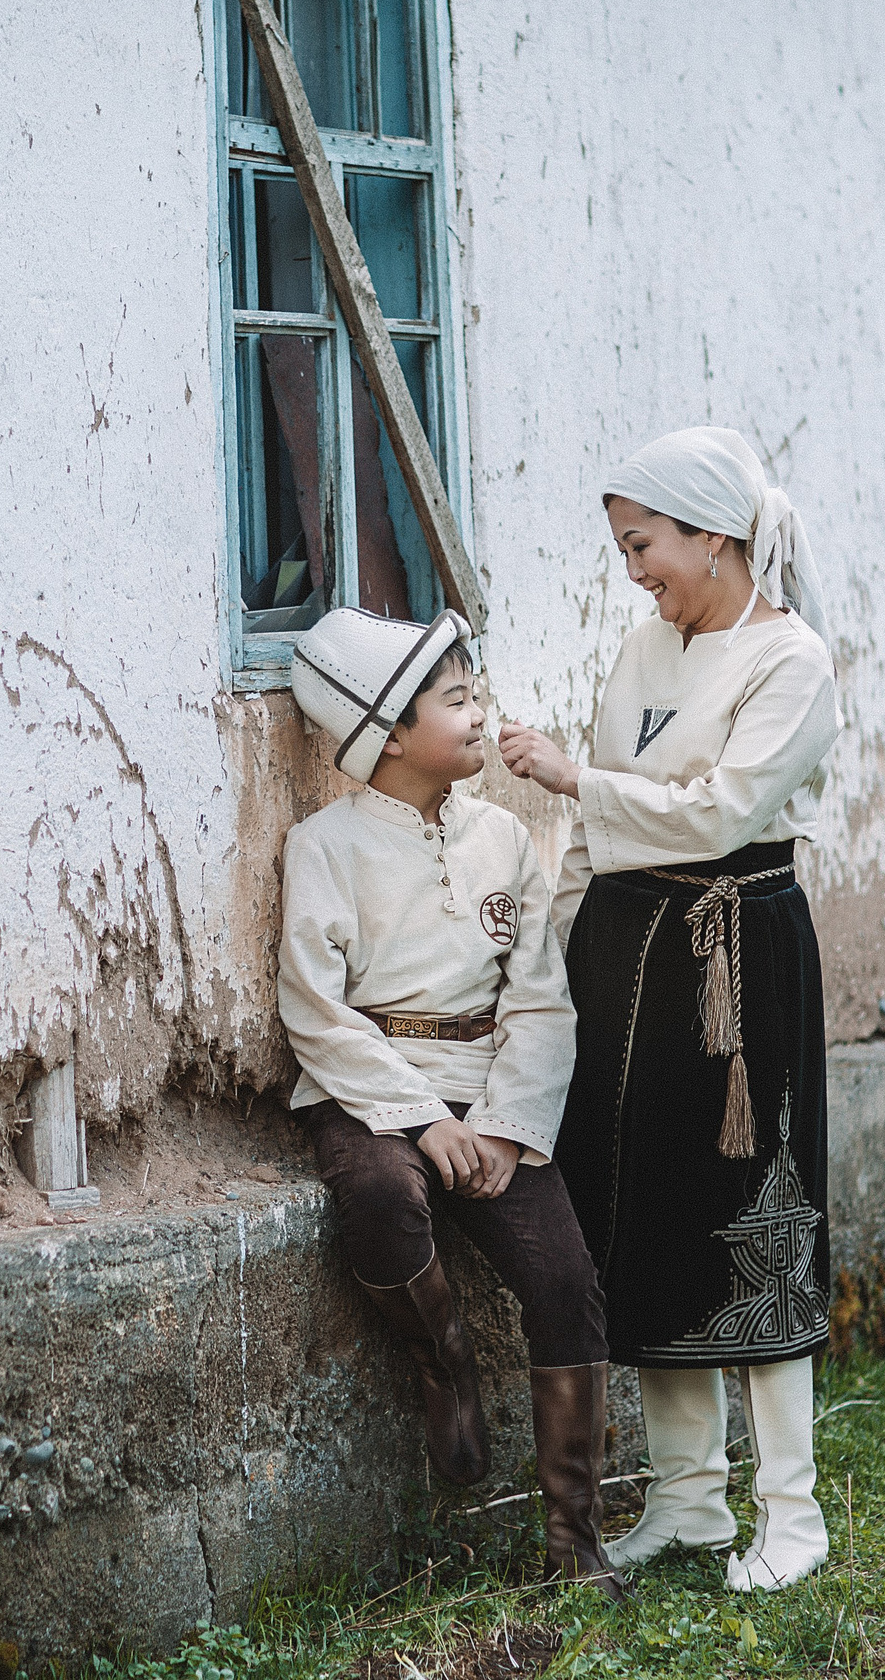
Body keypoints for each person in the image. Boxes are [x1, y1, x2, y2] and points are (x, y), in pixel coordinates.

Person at [497, 427, 841, 1593]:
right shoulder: (649, 645)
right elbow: (605, 825)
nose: (634, 570)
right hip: (623, 955)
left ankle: (788, 1516)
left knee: (754, 1217)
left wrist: (570, 779)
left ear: (714, 534)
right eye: (622, 548)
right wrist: (555, 941)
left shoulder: (789, 662)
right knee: (640, 1217)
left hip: (731, 955)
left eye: (644, 545)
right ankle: (689, 1501)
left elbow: (713, 813)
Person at [280, 606, 625, 1600]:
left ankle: (574, 1539)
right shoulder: (325, 847)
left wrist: (507, 1130)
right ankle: (444, 1360)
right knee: (383, 1199)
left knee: (566, 1283)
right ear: (388, 731)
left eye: (477, 696)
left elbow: (539, 999)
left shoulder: (506, 839)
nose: (482, 717)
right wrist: (421, 1121)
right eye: (458, 700)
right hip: (368, 1093)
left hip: (490, 1098)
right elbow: (315, 1012)